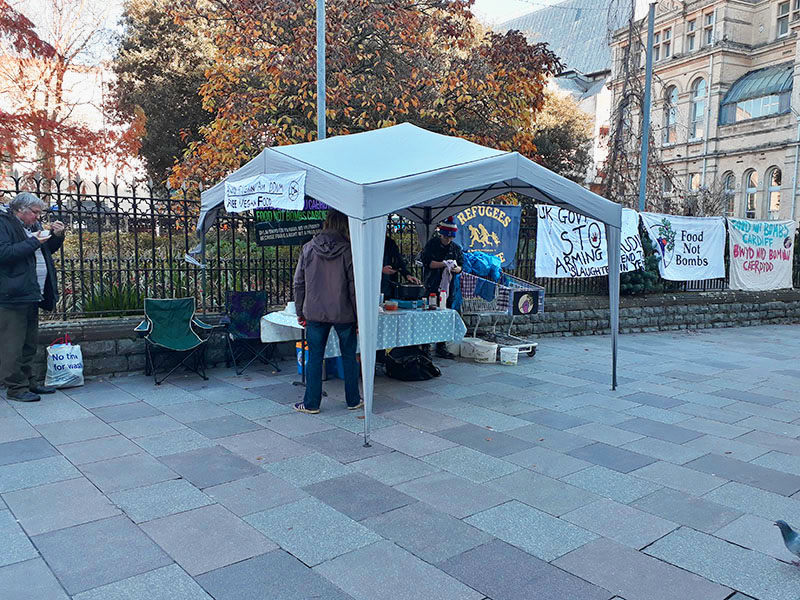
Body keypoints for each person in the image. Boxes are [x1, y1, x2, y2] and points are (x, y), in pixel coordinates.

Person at [292, 210, 362, 414]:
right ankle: (353, 400)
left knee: (314, 357)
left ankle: (311, 403)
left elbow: (299, 283)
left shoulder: (308, 249)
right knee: (349, 356)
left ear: (326, 223)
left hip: (314, 312)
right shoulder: (349, 250)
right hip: (344, 312)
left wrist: (300, 310)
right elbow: (353, 287)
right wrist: (359, 316)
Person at [0, 193, 66, 402]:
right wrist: (34, 242)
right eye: (35, 213)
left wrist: (57, 236)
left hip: (31, 291)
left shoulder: (30, 227)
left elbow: (46, 250)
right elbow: (5, 253)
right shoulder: (4, 223)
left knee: (29, 342)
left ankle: (30, 383)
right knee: (13, 344)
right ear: (21, 210)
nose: (38, 217)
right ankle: (15, 388)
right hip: (12, 294)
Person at [421, 216, 463, 359]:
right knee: (429, 316)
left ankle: (441, 345)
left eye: (451, 238)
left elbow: (461, 266)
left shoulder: (456, 248)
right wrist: (444, 264)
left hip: (448, 288)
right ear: (441, 234)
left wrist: (455, 268)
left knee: (445, 317)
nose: (448, 240)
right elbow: (428, 263)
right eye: (446, 237)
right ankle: (425, 346)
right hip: (432, 285)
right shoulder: (432, 245)